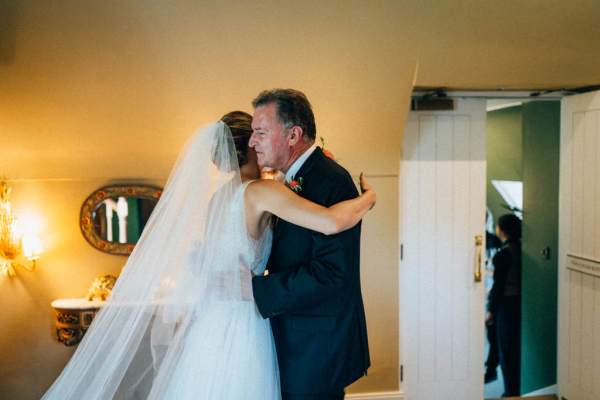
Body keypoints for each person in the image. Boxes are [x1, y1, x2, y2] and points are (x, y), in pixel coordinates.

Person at [42, 111, 376, 400]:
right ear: (251, 145)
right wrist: (368, 199)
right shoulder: (262, 192)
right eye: (260, 137)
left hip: (213, 320)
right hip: (244, 317)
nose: (265, 143)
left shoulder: (218, 199)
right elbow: (332, 221)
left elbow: (201, 258)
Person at [249, 89, 370, 400]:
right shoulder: (290, 181)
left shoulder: (331, 181)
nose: (253, 142)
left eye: (260, 132)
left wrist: (256, 289)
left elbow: (332, 274)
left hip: (317, 344)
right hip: (298, 335)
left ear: (293, 135)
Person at [486, 213, 522, 397]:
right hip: (519, 302)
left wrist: (491, 311)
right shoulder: (521, 248)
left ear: (501, 229)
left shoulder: (503, 254)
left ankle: (511, 391)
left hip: (506, 305)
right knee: (514, 347)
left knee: (506, 349)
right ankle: (515, 388)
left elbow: (498, 287)